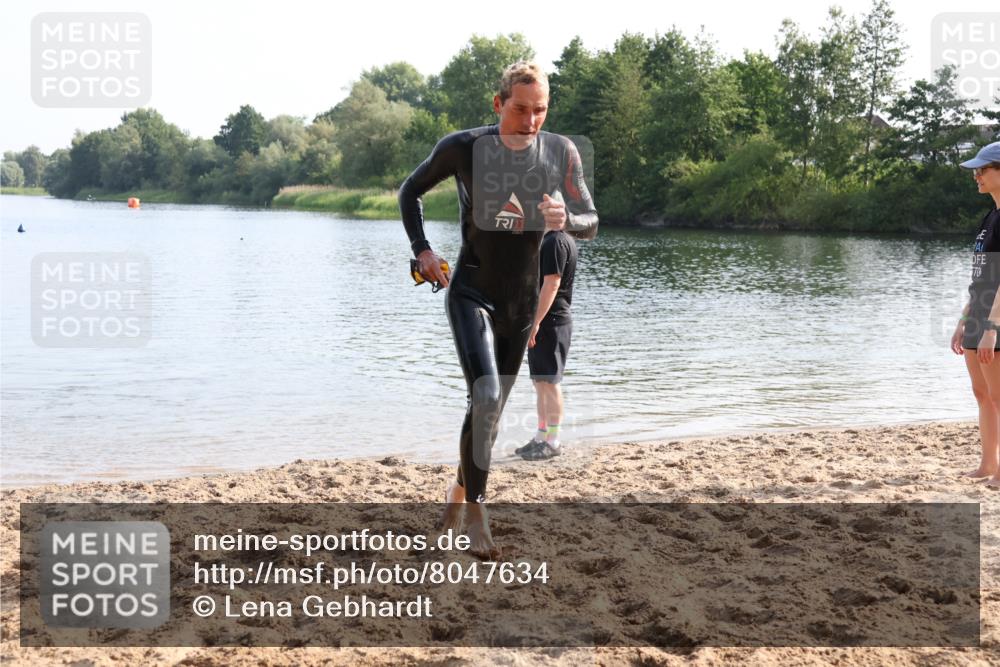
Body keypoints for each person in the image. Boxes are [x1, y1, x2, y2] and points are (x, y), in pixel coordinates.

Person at [399, 61, 598, 558]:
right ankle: (477, 514)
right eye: (520, 109)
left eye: (541, 110)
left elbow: (592, 220)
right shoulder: (462, 148)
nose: (531, 121)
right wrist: (422, 250)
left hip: (522, 304)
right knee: (485, 395)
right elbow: (411, 191)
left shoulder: (560, 152)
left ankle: (458, 493)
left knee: (488, 410)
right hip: (472, 291)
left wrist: (567, 218)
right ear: (498, 103)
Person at [951, 141, 1000, 487]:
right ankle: (987, 464)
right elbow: (982, 275)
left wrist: (991, 327)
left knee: (999, 396)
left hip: (996, 318)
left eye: (983, 169)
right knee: (981, 394)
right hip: (979, 312)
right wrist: (965, 320)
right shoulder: (990, 217)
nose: (976, 176)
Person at [518, 223, 578, 461]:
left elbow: (552, 284)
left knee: (550, 382)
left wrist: (536, 322)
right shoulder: (552, 240)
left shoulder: (555, 242)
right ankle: (541, 436)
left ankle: (553, 441)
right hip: (545, 320)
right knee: (540, 381)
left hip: (552, 321)